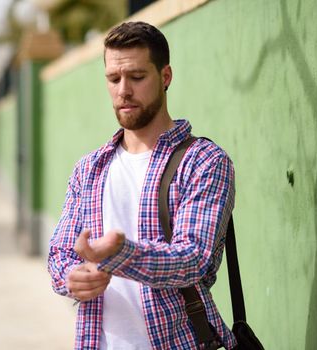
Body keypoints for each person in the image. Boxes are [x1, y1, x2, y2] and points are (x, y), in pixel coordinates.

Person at [48, 21, 237, 350]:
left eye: (137, 77)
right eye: (113, 79)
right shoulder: (89, 169)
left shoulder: (204, 161)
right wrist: (71, 277)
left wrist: (121, 254)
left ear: (165, 77)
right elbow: (59, 254)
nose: (123, 90)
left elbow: (193, 259)